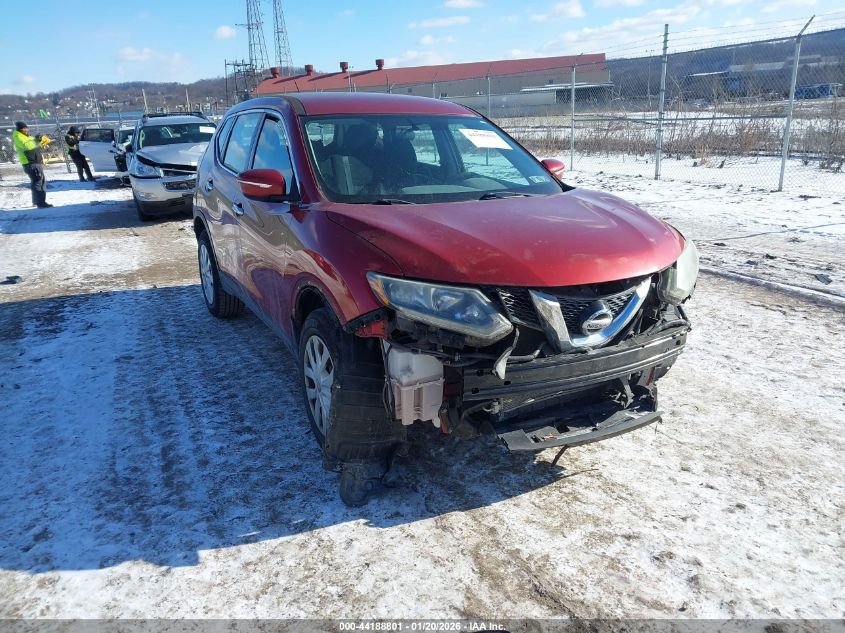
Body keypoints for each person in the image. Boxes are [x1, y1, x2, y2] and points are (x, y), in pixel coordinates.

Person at [12, 122, 52, 208]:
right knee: (38, 182)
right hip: (30, 162)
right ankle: (40, 203)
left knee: (38, 182)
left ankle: (37, 201)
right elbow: (29, 146)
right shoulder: (18, 137)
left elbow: (34, 144)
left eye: (27, 128)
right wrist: (37, 140)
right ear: (20, 129)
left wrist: (42, 141)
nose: (26, 129)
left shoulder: (26, 136)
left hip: (34, 162)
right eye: (24, 128)